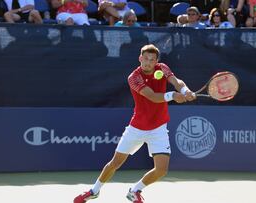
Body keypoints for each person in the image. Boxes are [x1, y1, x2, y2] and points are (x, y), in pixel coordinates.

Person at [73, 44, 196, 203]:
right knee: (115, 163)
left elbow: (177, 81)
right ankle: (94, 191)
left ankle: (135, 190)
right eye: (145, 59)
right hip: (137, 128)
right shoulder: (134, 77)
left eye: (152, 60)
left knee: (161, 170)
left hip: (158, 128)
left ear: (156, 61)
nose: (148, 62)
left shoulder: (163, 68)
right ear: (140, 58)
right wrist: (173, 95)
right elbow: (151, 96)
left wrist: (185, 91)